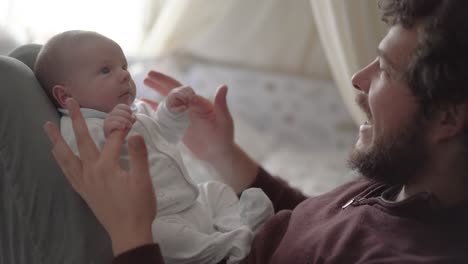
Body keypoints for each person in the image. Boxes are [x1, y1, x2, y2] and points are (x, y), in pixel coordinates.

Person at [44, 0, 468, 263]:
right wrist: (224, 154)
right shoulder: (400, 180)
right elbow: (319, 229)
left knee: (13, 80)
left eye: (387, 71)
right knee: (39, 59)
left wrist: (131, 232)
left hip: (144, 244)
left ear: (448, 118)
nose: (358, 78)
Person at [36, 30, 273, 264]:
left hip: (191, 200)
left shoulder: (136, 110)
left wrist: (171, 111)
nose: (124, 76)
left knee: (216, 190)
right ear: (65, 95)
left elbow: (165, 136)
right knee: (164, 240)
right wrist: (109, 137)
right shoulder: (80, 129)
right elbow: (88, 172)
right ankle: (226, 247)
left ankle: (240, 226)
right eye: (106, 70)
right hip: (157, 216)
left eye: (124, 66)